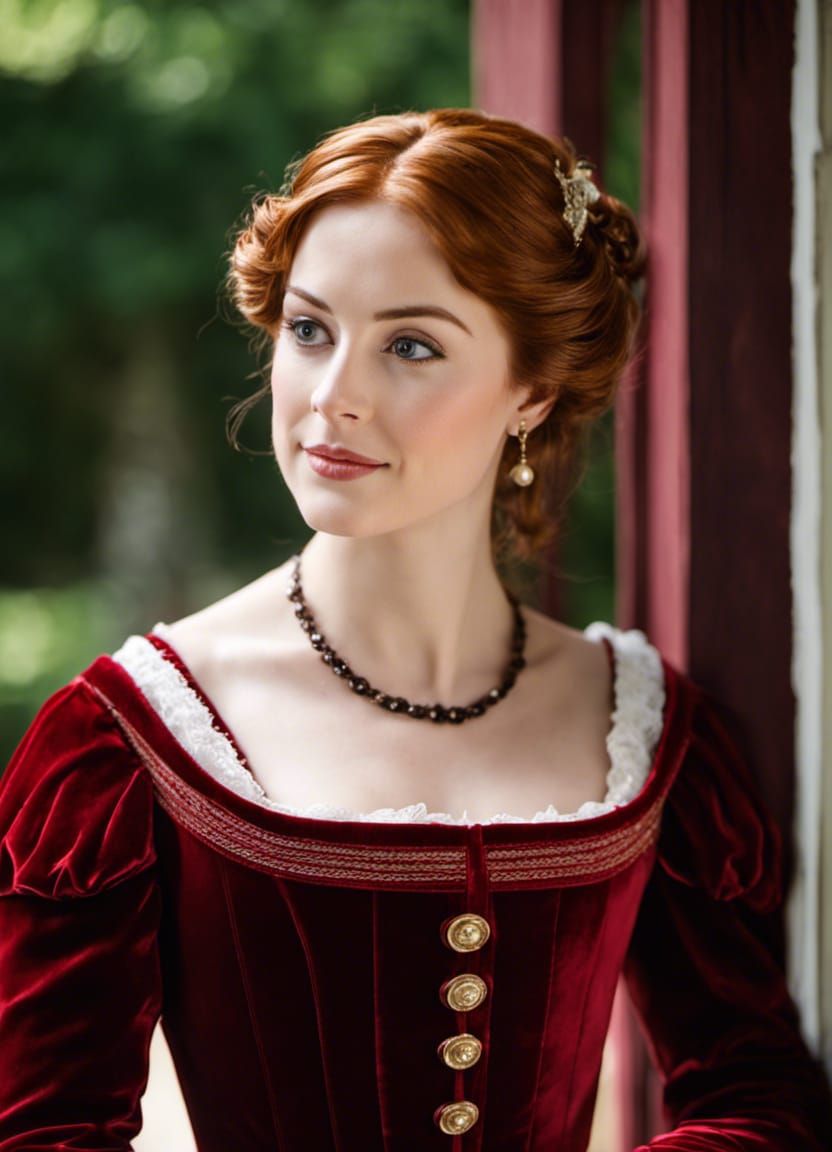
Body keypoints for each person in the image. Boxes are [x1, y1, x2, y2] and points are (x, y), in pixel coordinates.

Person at [0, 107, 830, 1152]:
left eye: (409, 345)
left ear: (530, 388)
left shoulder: (647, 726)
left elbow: (758, 1099)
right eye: (309, 330)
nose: (332, 397)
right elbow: (46, 1134)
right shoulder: (128, 737)